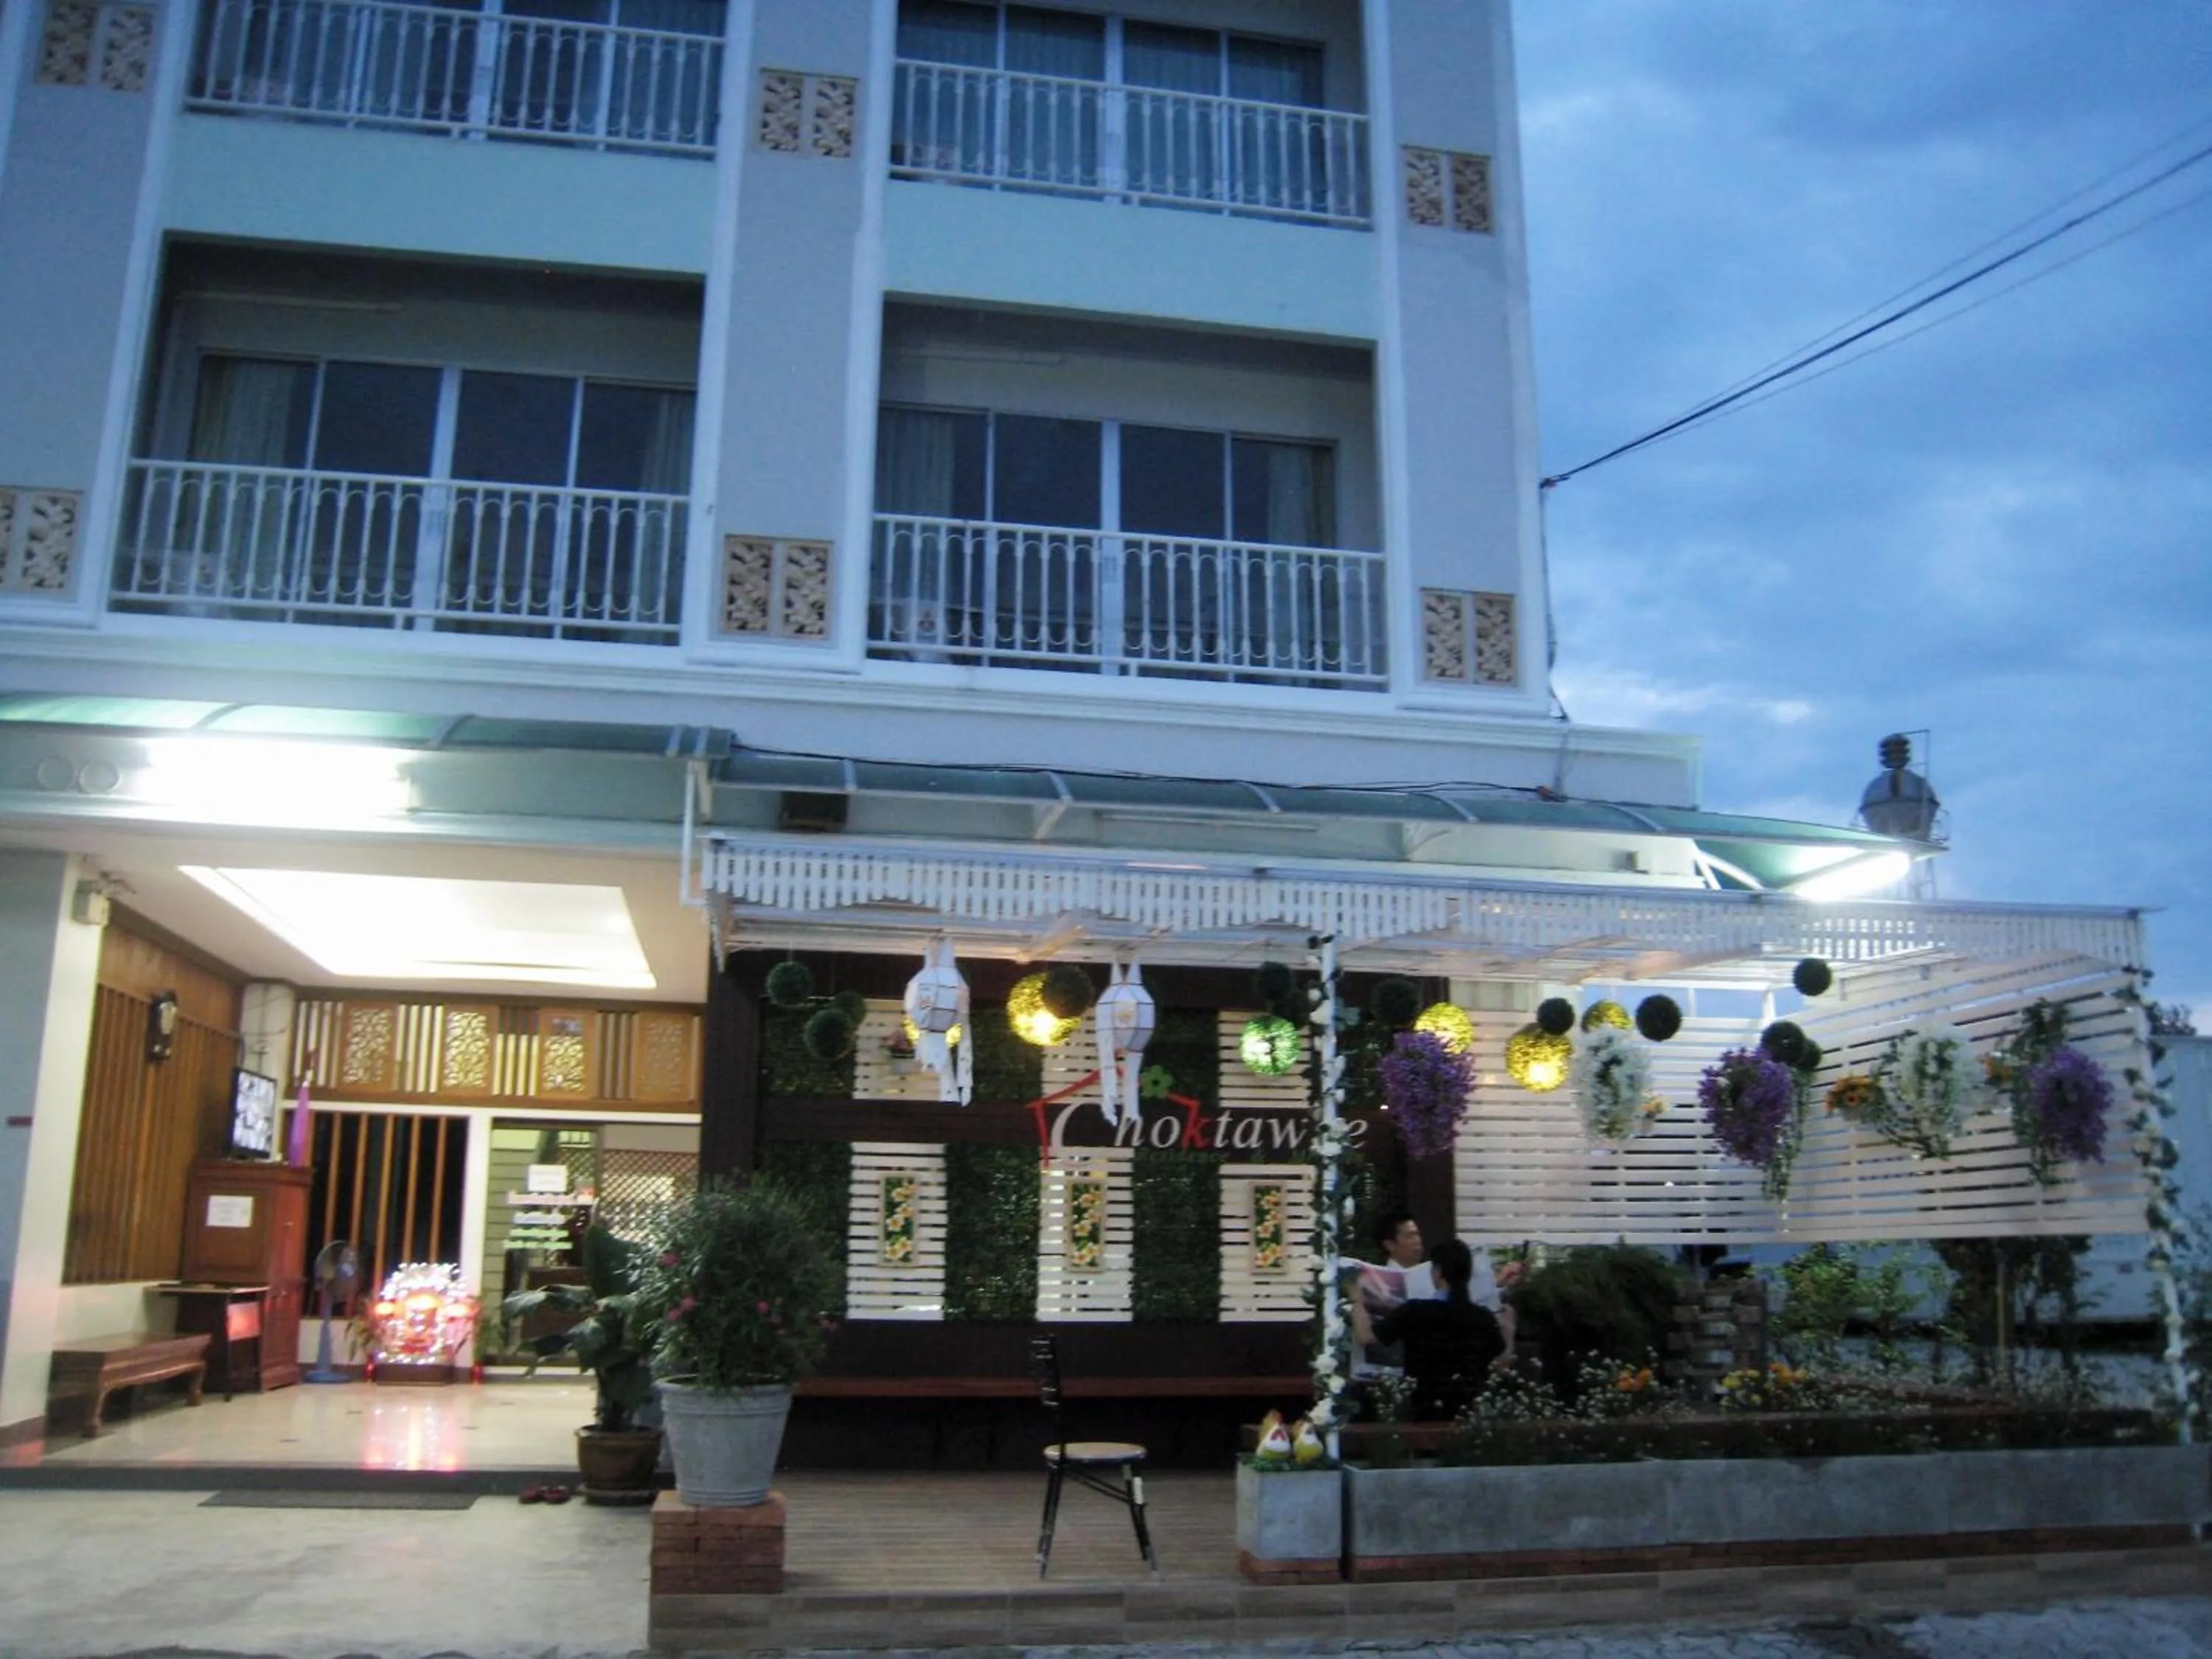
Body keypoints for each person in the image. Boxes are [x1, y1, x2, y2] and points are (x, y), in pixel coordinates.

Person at [1354, 1238, 1505, 1421]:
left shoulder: (1415, 1311)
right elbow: (1501, 1363)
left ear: (1438, 1272)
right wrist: (1509, 1329)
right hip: (1470, 1416)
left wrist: (1357, 1300)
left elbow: (1366, 1337)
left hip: (1421, 1411)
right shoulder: (1483, 1318)